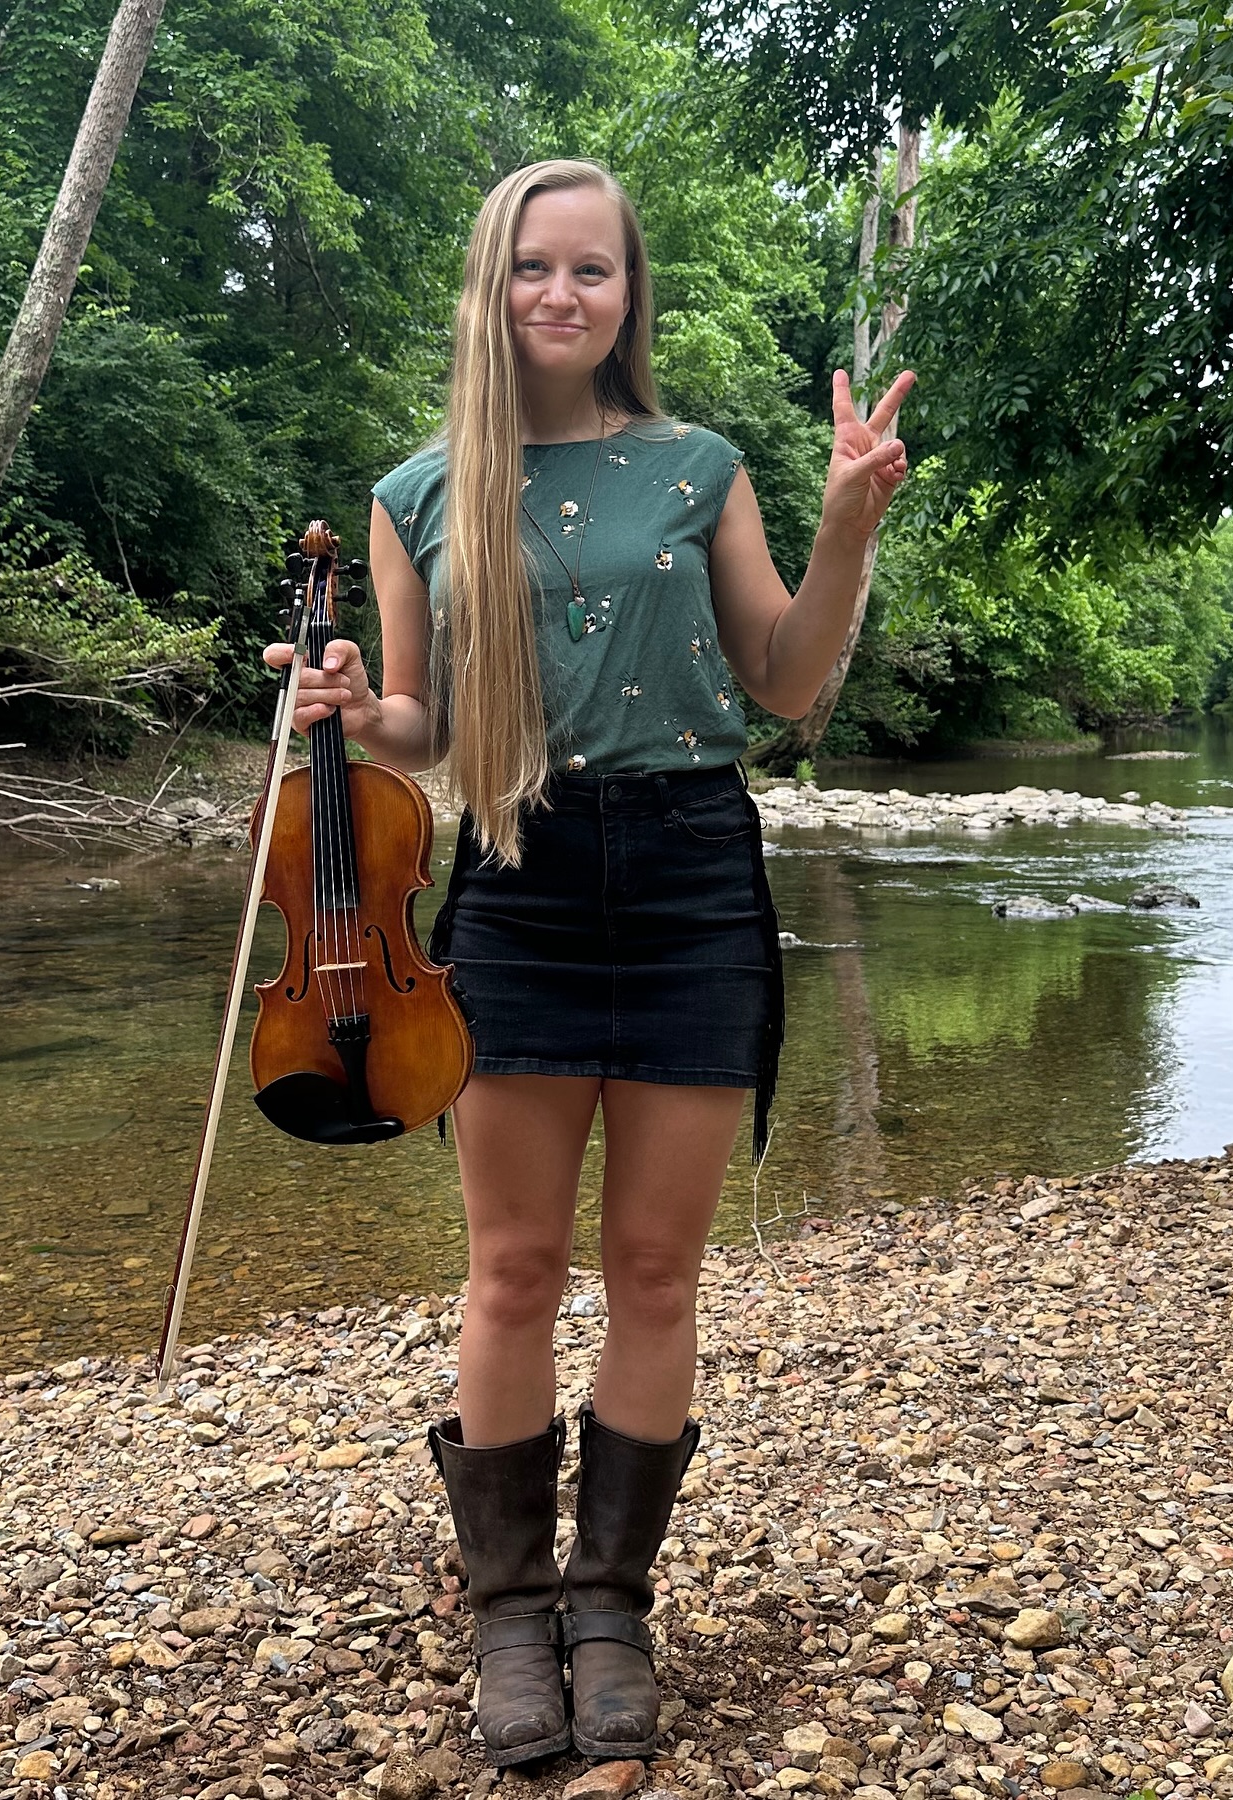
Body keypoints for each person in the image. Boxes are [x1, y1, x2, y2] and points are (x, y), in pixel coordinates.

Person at [265, 158, 912, 1767]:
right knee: (511, 1269)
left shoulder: (701, 467)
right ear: (492, 286)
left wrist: (847, 527)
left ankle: (612, 1599)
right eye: (534, 267)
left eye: (594, 269)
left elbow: (787, 681)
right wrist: (351, 712)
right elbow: (421, 726)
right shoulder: (417, 494)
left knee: (655, 1270)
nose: (563, 294)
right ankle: (510, 1610)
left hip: (691, 872)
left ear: (630, 296)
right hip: (519, 875)